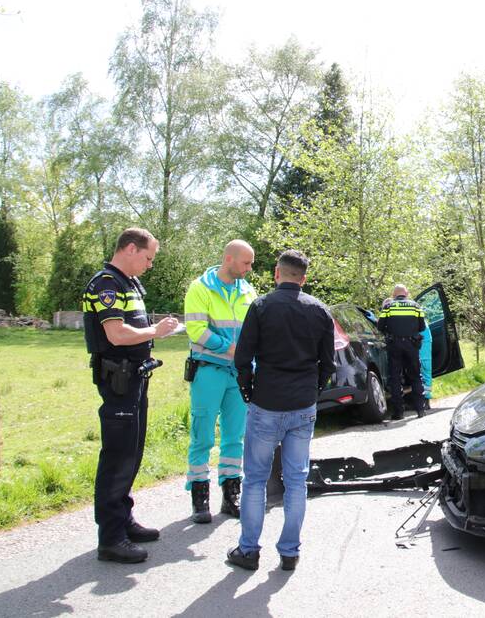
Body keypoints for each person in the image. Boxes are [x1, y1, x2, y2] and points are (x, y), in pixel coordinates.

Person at [229, 250, 334, 572]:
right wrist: (312, 391)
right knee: (297, 480)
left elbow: (242, 358)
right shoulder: (319, 311)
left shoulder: (260, 306)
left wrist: (249, 391)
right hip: (302, 405)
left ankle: (248, 550)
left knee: (255, 479)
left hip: (266, 402)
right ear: (303, 278)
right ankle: (289, 551)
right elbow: (327, 363)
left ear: (277, 273)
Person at [81, 228, 179, 564]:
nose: (150, 265)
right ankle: (111, 538)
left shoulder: (130, 283)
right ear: (131, 249)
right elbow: (117, 333)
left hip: (135, 378)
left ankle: (123, 520)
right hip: (117, 379)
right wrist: (155, 331)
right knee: (117, 457)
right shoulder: (106, 283)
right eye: (148, 257)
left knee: (132, 453)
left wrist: (152, 333)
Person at [183, 240, 257, 524]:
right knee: (202, 435)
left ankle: (231, 493)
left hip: (238, 374)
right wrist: (234, 350)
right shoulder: (200, 288)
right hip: (209, 370)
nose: (249, 269)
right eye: (246, 263)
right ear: (229, 259)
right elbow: (196, 331)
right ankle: (199, 495)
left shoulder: (248, 291)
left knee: (234, 437)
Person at [378, 284, 427, 420]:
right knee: (416, 376)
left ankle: (399, 412)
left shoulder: (388, 306)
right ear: (406, 293)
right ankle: (420, 409)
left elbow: (380, 326)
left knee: (395, 377)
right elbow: (422, 327)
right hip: (412, 344)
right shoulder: (416, 306)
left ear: (394, 294)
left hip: (394, 345)